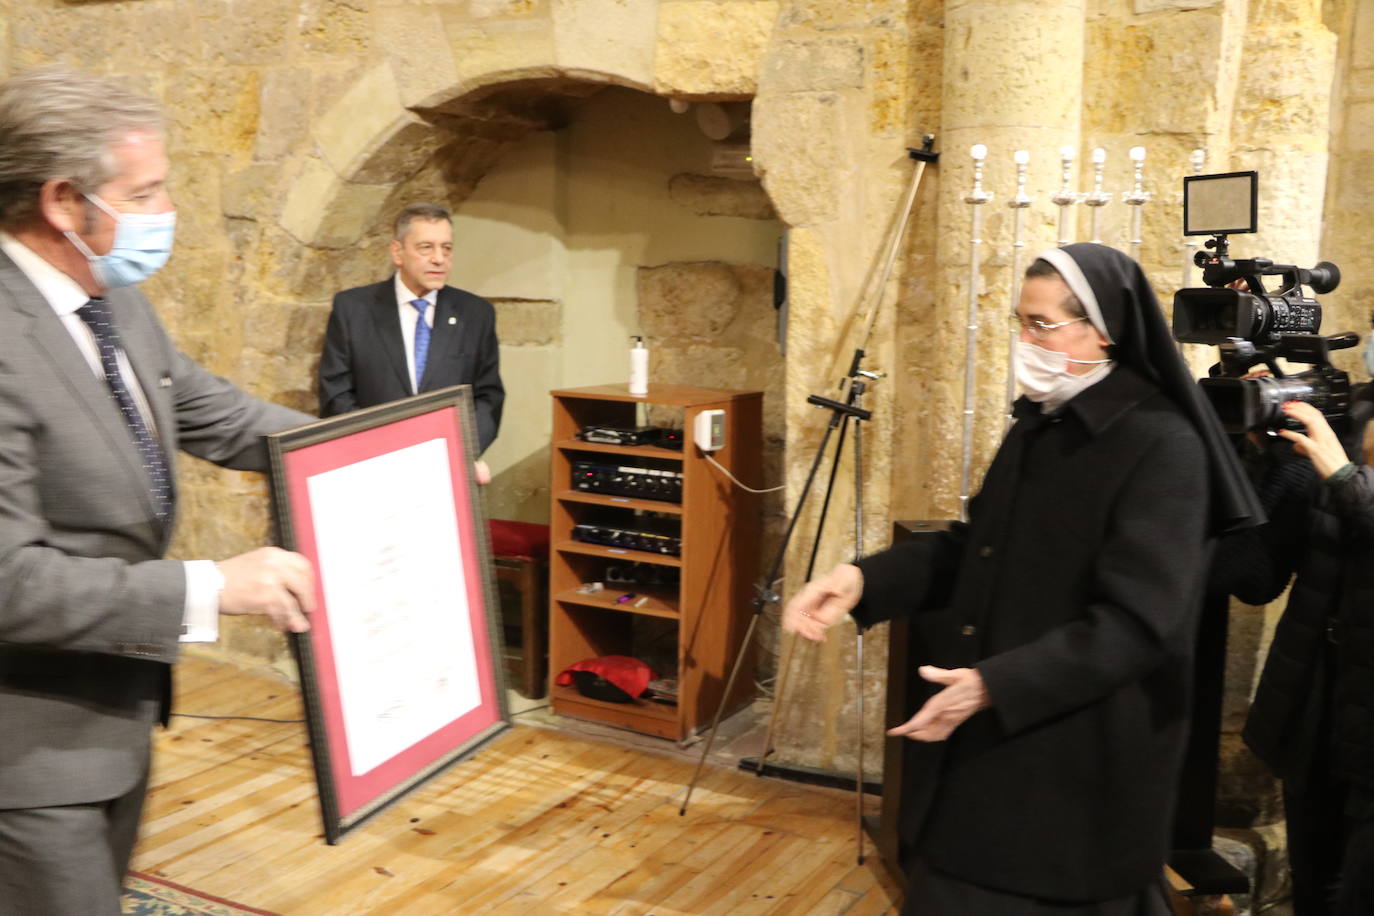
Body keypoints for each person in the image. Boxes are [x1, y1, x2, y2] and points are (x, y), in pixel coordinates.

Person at [783, 243, 1262, 915]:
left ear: (1103, 332)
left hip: (1079, 767)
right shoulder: (1044, 420)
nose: (1024, 341)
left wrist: (993, 684)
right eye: (1021, 322)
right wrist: (861, 581)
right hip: (995, 743)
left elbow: (1137, 625)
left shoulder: (1164, 445)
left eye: (1041, 325)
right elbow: (975, 546)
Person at [0, 68, 318, 915]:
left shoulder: (117, 303)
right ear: (65, 201)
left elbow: (223, 416)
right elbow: (10, 583)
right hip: (25, 753)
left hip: (117, 719)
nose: (166, 208)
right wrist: (213, 587)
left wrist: (402, 448)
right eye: (146, 191)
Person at [1217, 392, 1374, 916]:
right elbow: (1254, 579)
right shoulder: (1345, 419)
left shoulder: (1339, 454)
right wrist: (1259, 454)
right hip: (1317, 707)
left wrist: (1346, 479)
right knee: (1313, 889)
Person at [317, 202, 504, 481]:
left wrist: (461, 452)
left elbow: (488, 398)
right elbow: (336, 393)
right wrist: (378, 450)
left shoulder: (475, 314)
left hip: (445, 470)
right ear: (398, 252)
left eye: (447, 248)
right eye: (426, 248)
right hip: (370, 468)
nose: (439, 259)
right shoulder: (353, 309)